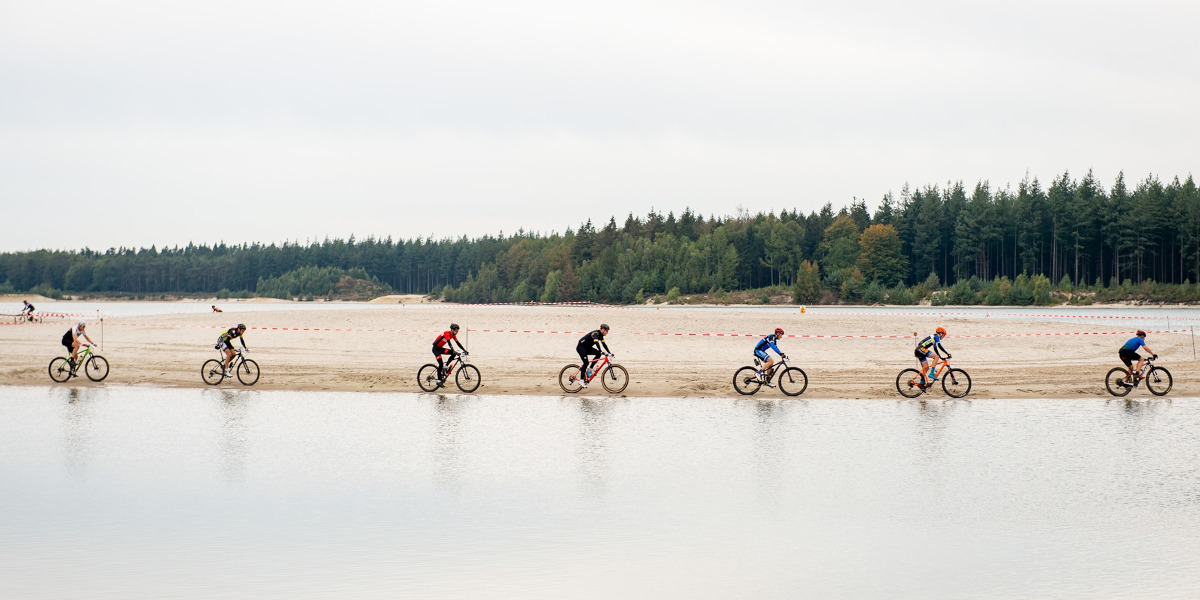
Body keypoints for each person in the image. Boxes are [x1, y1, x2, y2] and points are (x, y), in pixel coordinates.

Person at [575, 324, 612, 388]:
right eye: (606, 331)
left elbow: (604, 344)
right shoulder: (595, 334)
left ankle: (590, 368)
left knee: (598, 354)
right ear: (602, 330)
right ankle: (581, 380)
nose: (607, 332)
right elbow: (597, 343)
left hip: (587, 348)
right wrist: (600, 350)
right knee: (586, 362)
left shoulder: (601, 336)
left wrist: (609, 353)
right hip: (581, 347)